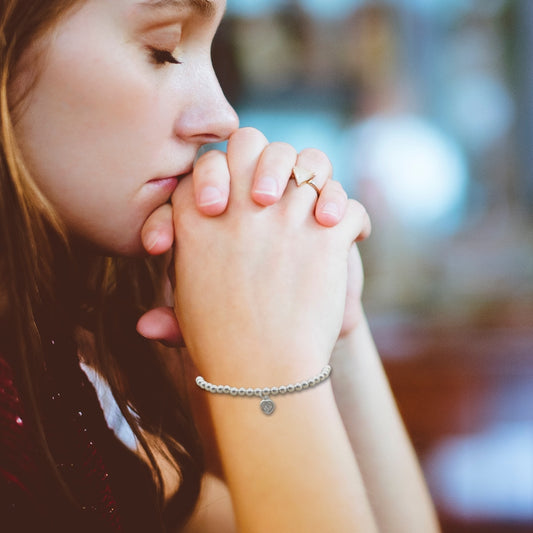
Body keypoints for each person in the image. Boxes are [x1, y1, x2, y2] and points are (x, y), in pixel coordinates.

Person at [0, 0, 440, 531]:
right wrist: (267, 362)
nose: (223, 117)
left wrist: (328, 322)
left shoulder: (61, 382)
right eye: (162, 50)